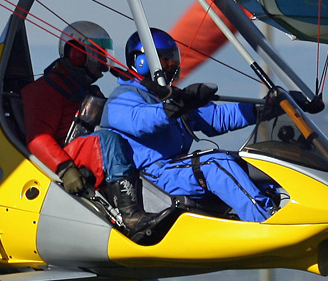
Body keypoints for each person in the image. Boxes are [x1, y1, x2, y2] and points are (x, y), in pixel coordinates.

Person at [102, 28, 279, 223]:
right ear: (141, 61)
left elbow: (217, 117)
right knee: (215, 164)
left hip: (175, 170)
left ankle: (280, 207)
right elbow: (142, 121)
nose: (171, 65)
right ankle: (266, 220)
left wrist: (264, 109)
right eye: (165, 60)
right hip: (152, 177)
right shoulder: (122, 98)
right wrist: (176, 106)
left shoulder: (167, 98)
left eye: (173, 59)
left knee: (246, 163)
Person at [21, 21, 170, 241]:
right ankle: (130, 216)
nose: (103, 63)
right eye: (98, 55)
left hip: (82, 153)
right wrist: (66, 169)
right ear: (77, 55)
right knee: (109, 140)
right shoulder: (45, 90)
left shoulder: (87, 91)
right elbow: (38, 139)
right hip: (60, 163)